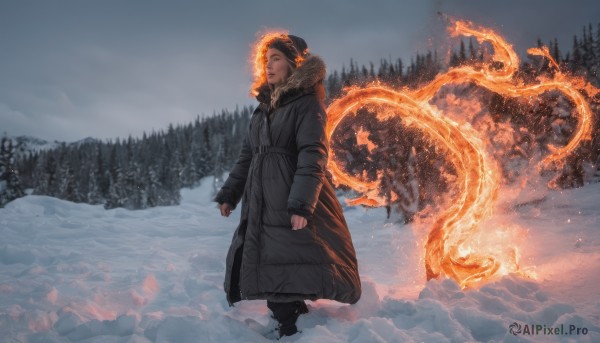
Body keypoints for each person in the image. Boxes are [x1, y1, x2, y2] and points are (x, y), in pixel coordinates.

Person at [214, 33, 361, 338]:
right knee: (269, 259)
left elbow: (313, 153)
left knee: (283, 257)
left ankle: (290, 326)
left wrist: (301, 204)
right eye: (266, 60)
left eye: (276, 59)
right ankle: (291, 318)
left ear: (294, 63)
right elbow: (247, 155)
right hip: (261, 198)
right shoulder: (262, 110)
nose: (268, 66)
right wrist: (230, 193)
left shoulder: (306, 104)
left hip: (290, 194)